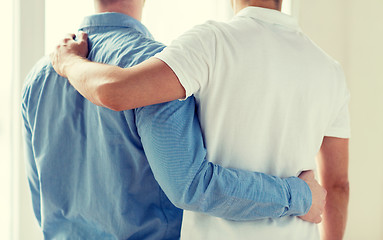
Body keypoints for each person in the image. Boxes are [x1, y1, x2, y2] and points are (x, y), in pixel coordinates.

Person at [23, 0, 327, 239]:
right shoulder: (156, 72)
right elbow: (192, 186)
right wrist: (300, 195)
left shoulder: (38, 76)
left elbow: (41, 198)